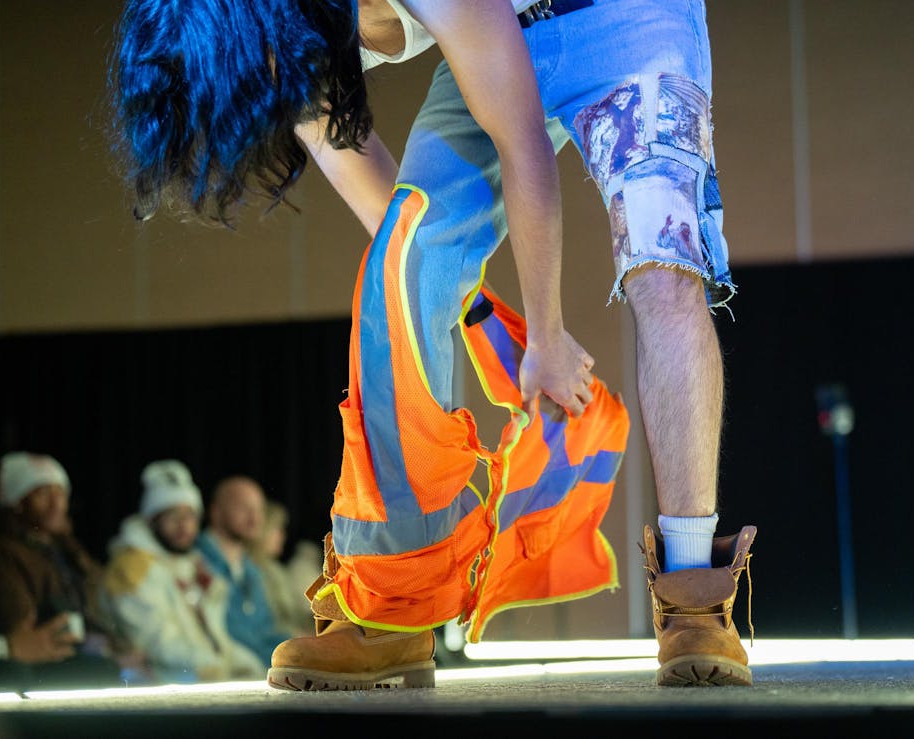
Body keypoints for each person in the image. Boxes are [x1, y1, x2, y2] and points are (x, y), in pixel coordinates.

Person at [108, 0, 758, 689]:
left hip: (623, 17)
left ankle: (694, 595)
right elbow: (396, 225)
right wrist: (461, 301)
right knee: (401, 268)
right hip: (510, 27)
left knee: (663, 267)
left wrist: (545, 331)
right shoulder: (287, 42)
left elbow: (523, 143)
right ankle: (396, 603)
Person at [0, 452, 139, 690]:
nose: (56, 503)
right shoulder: (1, 553)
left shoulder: (69, 550)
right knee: (102, 672)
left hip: (84, 653)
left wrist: (114, 643)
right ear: (16, 501)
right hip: (43, 664)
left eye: (61, 492)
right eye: (43, 493)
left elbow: (98, 607)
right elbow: (22, 628)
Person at [100, 460, 267, 683]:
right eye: (172, 516)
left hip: (200, 676)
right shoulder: (132, 567)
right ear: (152, 521)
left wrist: (245, 664)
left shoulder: (188, 563)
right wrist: (214, 666)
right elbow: (157, 641)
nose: (183, 526)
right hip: (159, 687)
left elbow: (215, 637)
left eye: (189, 516)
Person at [195, 476, 291, 670]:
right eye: (243, 508)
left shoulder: (252, 570)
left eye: (259, 509)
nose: (255, 518)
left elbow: (265, 630)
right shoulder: (194, 562)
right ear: (216, 512)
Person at [247, 500, 314, 638]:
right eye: (277, 529)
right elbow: (267, 623)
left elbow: (295, 616)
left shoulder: (277, 571)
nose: (282, 536)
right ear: (263, 530)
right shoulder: (249, 571)